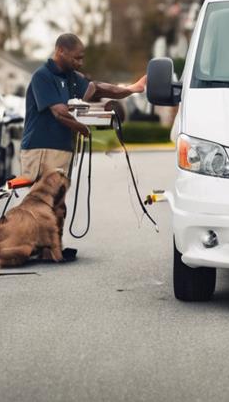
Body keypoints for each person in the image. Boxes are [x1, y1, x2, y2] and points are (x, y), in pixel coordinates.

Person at [20, 34, 147, 260]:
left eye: (82, 58)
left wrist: (132, 89)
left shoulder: (71, 78)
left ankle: (52, 249)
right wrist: (84, 128)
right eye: (76, 58)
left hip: (62, 148)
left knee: (58, 200)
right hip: (41, 147)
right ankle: (28, 246)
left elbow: (98, 88)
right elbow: (59, 112)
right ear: (60, 51)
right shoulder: (43, 76)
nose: (80, 62)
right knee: (42, 198)